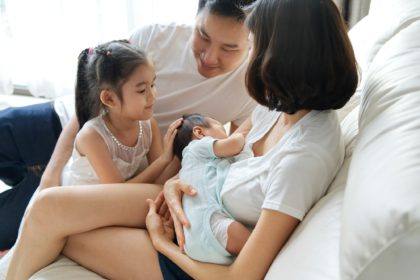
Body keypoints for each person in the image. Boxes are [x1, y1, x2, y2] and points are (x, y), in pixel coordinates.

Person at [4, 0, 358, 278]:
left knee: (52, 224)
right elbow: (225, 154)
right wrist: (175, 184)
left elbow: (242, 275)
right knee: (48, 206)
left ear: (281, 59)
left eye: (252, 46)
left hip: (199, 247)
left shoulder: (306, 154)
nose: (248, 57)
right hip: (187, 199)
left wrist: (162, 242)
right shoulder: (278, 106)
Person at [0, 0, 257, 250]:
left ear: (252, 42)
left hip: (112, 171)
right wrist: (50, 177)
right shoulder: (155, 37)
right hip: (71, 125)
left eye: (229, 48)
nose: (210, 56)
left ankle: (27, 182)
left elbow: (228, 160)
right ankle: (31, 174)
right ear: (197, 17)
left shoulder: (249, 90)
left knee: (12, 224)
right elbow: (93, 94)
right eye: (203, 35)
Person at [61, 40, 180, 186]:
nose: (153, 95)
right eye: (142, 90)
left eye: (152, 85)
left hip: (117, 198)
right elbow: (117, 191)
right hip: (80, 200)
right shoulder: (91, 137)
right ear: (109, 98)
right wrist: (163, 160)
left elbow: (159, 180)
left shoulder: (149, 126)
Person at [173, 113, 251, 264]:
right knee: (256, 247)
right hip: (209, 224)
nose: (225, 133)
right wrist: (241, 136)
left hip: (192, 242)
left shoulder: (188, 169)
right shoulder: (195, 147)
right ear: (199, 132)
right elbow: (233, 144)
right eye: (221, 127)